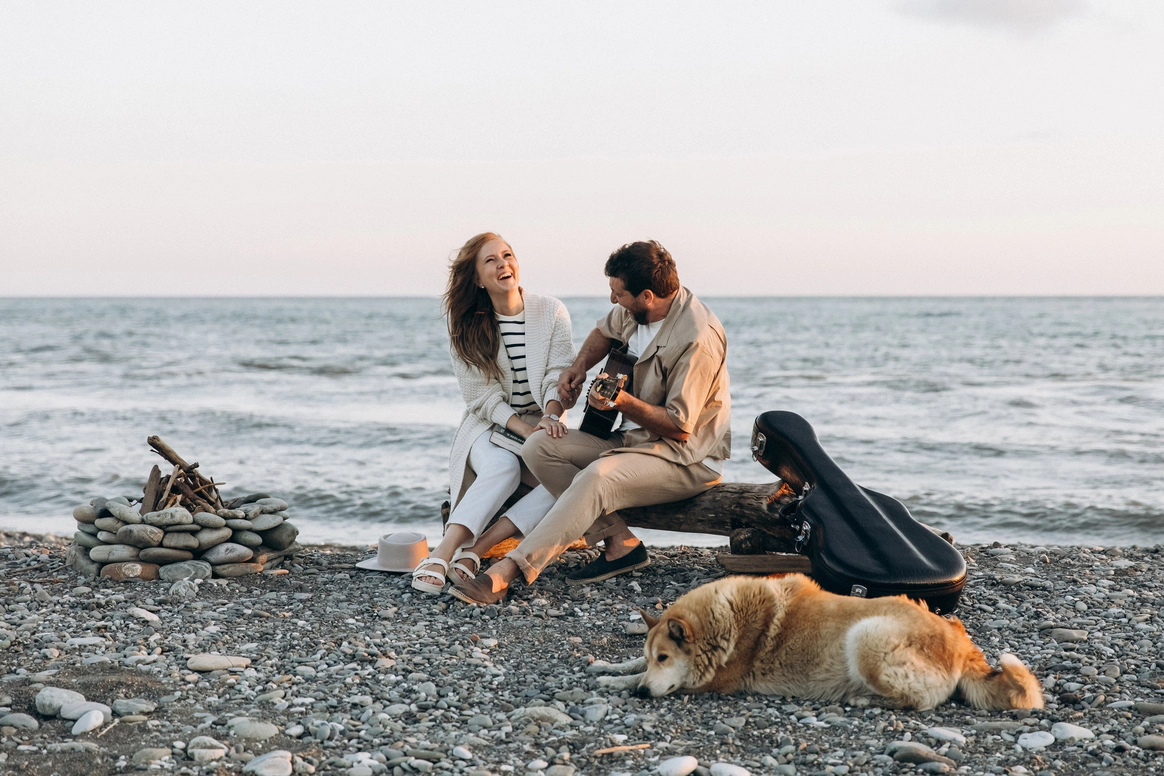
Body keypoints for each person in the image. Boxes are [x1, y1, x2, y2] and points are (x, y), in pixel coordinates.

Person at [450, 240, 731, 604]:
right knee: (538, 446)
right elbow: (604, 332)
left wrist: (621, 401)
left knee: (596, 477)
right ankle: (620, 542)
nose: (613, 300)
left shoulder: (696, 338)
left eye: (619, 294)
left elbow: (680, 427)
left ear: (647, 296)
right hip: (629, 442)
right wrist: (578, 368)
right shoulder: (637, 310)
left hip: (683, 457)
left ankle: (509, 569)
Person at [412, 232, 575, 594]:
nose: (503, 264)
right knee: (504, 466)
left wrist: (550, 417)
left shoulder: (551, 311)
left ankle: (476, 551)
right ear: (477, 278)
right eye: (491, 260)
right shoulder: (465, 324)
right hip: (488, 426)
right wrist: (523, 430)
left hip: (543, 420)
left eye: (507, 255)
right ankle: (442, 553)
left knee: (570, 480)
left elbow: (558, 373)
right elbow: (481, 398)